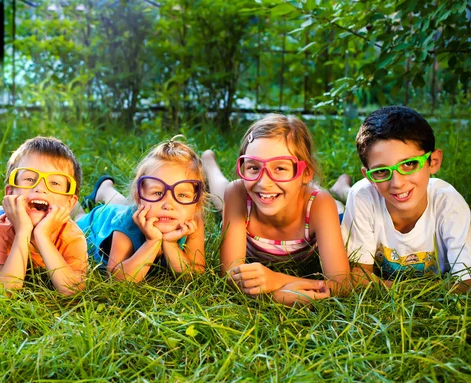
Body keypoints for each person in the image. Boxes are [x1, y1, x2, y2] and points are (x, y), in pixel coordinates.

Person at [203, 114, 350, 305]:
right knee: (223, 197)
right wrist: (280, 293)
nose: (264, 182)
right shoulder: (239, 193)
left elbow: (342, 284)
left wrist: (276, 282)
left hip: (325, 210)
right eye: (253, 167)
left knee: (338, 201)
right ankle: (209, 162)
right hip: (255, 199)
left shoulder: (320, 204)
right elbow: (229, 276)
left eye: (280, 168)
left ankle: (342, 189)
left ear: (306, 173)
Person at [340, 105, 471, 289]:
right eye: (381, 171)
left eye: (409, 164)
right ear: (368, 176)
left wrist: (385, 285)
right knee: (340, 209)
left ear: (433, 162)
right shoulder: (362, 197)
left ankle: (341, 187)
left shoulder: (450, 205)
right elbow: (359, 277)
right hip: (359, 205)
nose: (397, 183)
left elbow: (466, 282)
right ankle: (342, 190)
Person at [75, 136, 206, 282]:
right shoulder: (125, 224)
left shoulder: (192, 223)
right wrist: (152, 242)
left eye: (182, 194)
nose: (168, 205)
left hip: (132, 209)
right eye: (158, 193)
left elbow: (195, 276)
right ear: (139, 197)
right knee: (78, 216)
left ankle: (105, 189)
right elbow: (116, 280)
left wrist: (170, 244)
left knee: (129, 205)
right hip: (100, 222)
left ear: (196, 202)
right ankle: (95, 194)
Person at [0, 136, 87, 296]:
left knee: (83, 216)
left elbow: (73, 290)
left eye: (55, 183)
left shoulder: (72, 236)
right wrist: (23, 231)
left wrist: (42, 236)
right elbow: (6, 292)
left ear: (69, 203)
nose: (40, 188)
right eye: (29, 179)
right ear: (10, 193)